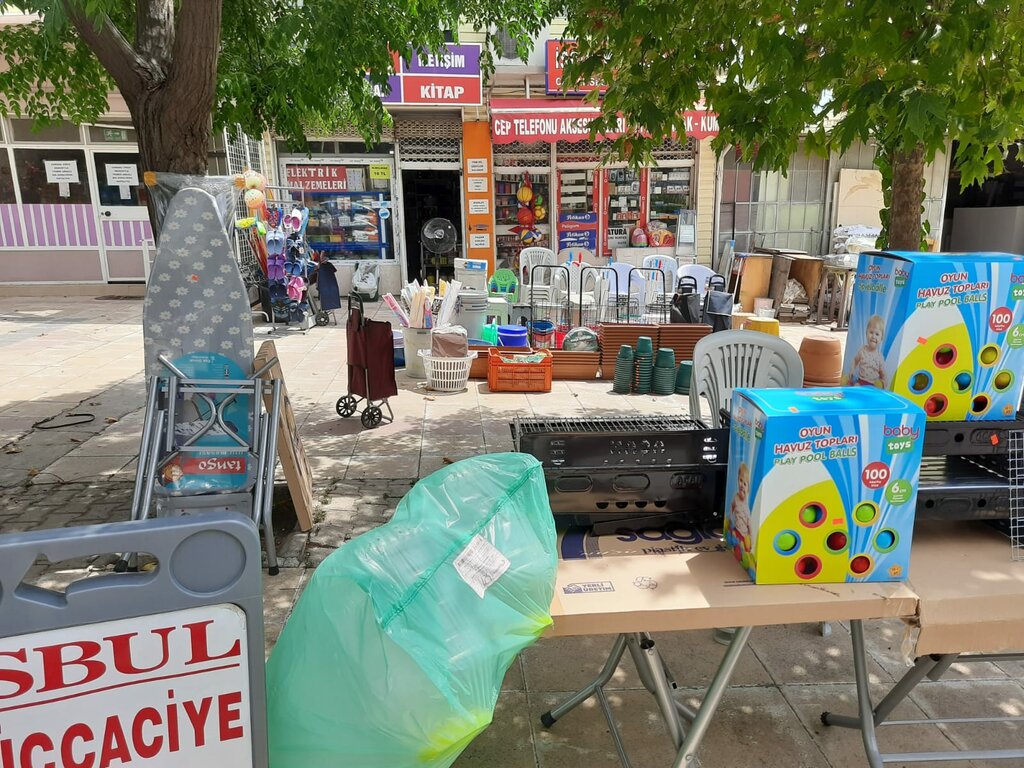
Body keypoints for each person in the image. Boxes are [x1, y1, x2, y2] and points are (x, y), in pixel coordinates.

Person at [849, 314, 887, 386]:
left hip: (872, 387)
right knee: (855, 385)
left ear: (881, 338)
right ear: (866, 333)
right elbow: (855, 360)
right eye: (871, 332)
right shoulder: (862, 351)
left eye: (877, 334)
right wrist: (852, 370)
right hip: (860, 382)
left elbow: (883, 375)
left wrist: (882, 384)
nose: (873, 336)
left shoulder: (880, 357)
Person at [729, 462, 753, 556]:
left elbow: (750, 525)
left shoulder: (746, 507)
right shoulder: (735, 497)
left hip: (744, 535)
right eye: (740, 480)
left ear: (748, 489)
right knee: (735, 548)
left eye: (745, 484)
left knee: (743, 553)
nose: (742, 485)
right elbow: (732, 506)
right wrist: (730, 517)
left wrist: (751, 539)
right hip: (736, 531)